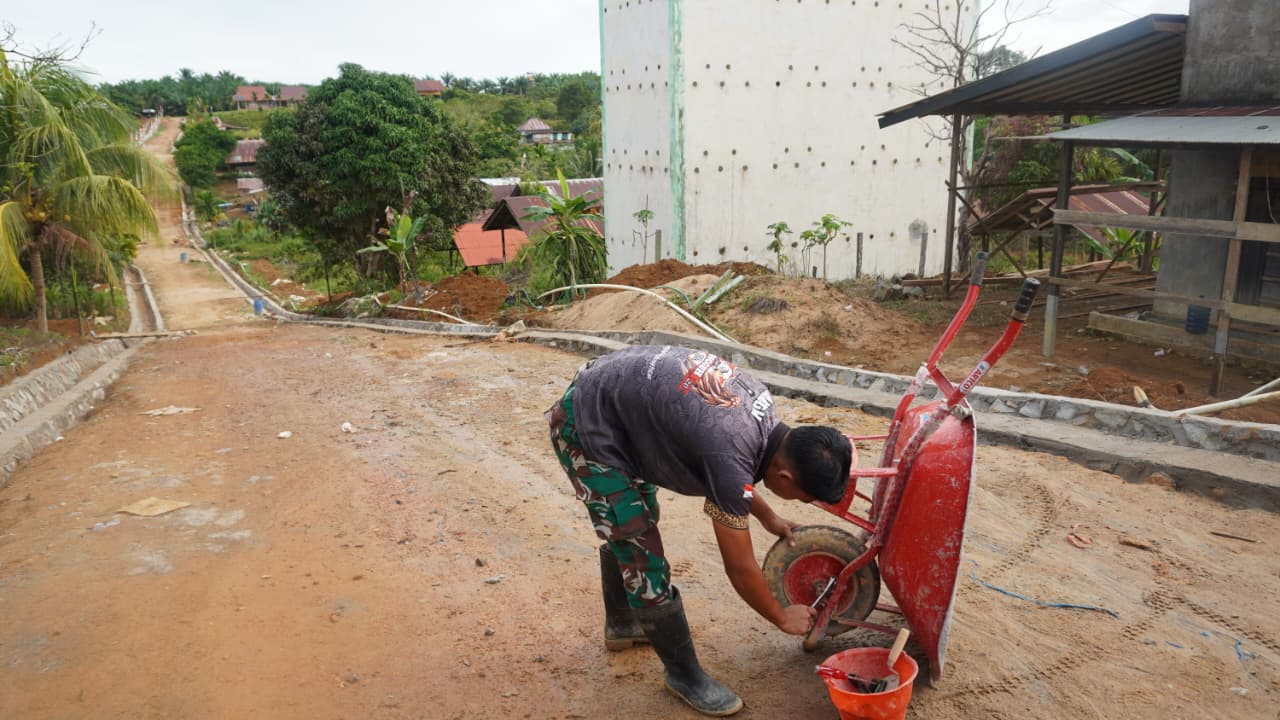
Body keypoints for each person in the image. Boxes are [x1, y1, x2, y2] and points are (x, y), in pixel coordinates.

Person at [546, 345, 852, 716]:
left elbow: (732, 472)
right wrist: (780, 615)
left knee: (641, 515)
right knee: (640, 552)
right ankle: (683, 675)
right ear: (785, 476)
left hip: (615, 400)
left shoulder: (762, 411)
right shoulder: (729, 452)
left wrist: (767, 516)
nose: (798, 501)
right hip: (585, 426)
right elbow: (739, 566)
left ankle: (623, 624)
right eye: (803, 498)